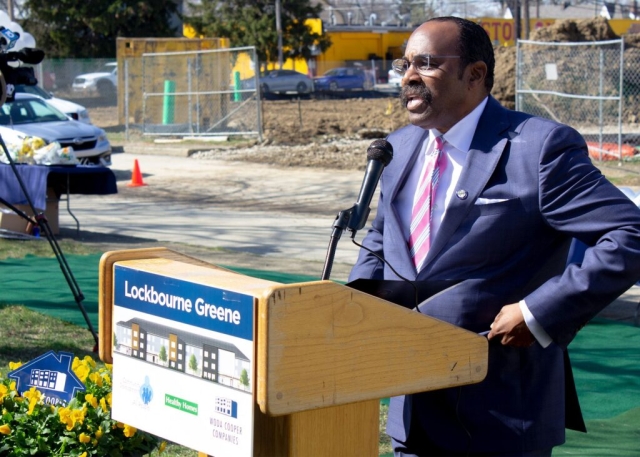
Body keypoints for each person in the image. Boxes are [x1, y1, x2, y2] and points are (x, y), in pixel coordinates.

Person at [348, 16, 640, 457]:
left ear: (475, 75)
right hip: (411, 404)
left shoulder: (539, 148)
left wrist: (537, 312)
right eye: (403, 64)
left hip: (499, 412)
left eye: (425, 63)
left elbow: (629, 233)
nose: (408, 76)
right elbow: (381, 234)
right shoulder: (400, 146)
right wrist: (355, 305)